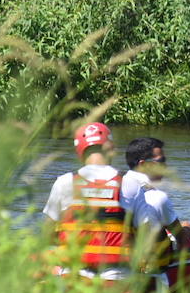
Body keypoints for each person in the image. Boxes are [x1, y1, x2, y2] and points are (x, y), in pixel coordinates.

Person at [121, 137, 190, 293]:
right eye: (161, 161)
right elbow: (181, 238)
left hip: (113, 263)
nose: (165, 166)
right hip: (147, 274)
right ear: (143, 164)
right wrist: (185, 230)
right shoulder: (157, 197)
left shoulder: (117, 186)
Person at [43, 122, 131, 284]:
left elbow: (47, 232)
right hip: (117, 277)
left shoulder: (64, 182)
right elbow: (146, 232)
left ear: (79, 152)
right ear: (110, 148)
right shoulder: (129, 182)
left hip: (74, 275)